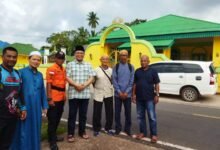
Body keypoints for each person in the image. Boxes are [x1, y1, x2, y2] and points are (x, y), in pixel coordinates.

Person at [11, 51, 48, 150]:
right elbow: (16, 92)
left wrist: (45, 106)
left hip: (36, 108)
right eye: (34, 59)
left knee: (35, 128)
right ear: (29, 59)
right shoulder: (21, 72)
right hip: (25, 106)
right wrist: (20, 107)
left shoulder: (40, 75)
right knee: (24, 129)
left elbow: (42, 91)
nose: (36, 61)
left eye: (38, 60)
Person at [66, 45, 95, 142]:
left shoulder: (88, 64)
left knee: (83, 115)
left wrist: (84, 85)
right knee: (72, 115)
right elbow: (67, 77)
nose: (79, 55)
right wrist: (76, 85)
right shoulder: (70, 64)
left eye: (81, 53)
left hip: (85, 94)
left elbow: (92, 77)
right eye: (78, 53)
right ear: (74, 54)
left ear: (84, 54)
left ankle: (82, 132)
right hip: (73, 94)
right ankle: (70, 133)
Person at [0, 47, 26, 150]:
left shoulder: (17, 73)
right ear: (2, 57)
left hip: (12, 116)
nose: (12, 59)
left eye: (14, 57)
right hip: (1, 116)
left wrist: (23, 108)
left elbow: (19, 93)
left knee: (6, 143)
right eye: (9, 56)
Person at [132, 55, 160, 143]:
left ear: (148, 61)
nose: (143, 62)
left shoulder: (153, 71)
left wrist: (157, 95)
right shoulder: (137, 71)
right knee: (140, 117)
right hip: (139, 98)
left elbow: (157, 84)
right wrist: (133, 95)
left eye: (145, 61)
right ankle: (142, 132)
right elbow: (135, 84)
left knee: (152, 117)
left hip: (150, 98)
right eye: (142, 61)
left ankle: (154, 134)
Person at [46, 51, 66, 150]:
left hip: (61, 97)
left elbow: (63, 84)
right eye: (58, 58)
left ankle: (53, 137)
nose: (60, 60)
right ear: (55, 58)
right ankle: (52, 142)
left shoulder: (63, 69)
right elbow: (48, 84)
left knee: (57, 119)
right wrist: (49, 98)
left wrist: (65, 96)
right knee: (52, 120)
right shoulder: (51, 69)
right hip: (54, 98)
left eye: (62, 58)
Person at [112, 49, 134, 136]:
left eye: (125, 55)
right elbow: (114, 80)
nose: (123, 57)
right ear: (119, 56)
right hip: (118, 95)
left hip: (127, 95)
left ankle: (127, 129)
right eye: (122, 55)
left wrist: (126, 92)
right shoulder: (116, 67)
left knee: (128, 113)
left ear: (127, 56)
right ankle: (118, 128)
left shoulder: (131, 67)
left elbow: (132, 81)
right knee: (117, 113)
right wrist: (119, 92)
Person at [92, 55, 114, 136]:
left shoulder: (111, 70)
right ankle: (96, 129)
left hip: (108, 93)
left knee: (109, 112)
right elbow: (93, 81)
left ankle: (108, 128)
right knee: (97, 112)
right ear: (100, 60)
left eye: (107, 59)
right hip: (98, 93)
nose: (105, 60)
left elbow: (112, 80)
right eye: (103, 59)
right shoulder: (96, 70)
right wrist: (97, 87)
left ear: (108, 60)